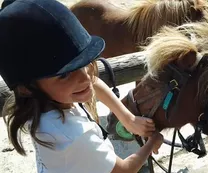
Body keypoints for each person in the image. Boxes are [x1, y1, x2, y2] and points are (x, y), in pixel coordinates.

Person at [0, 0, 163, 173]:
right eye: (64, 74)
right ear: (27, 87)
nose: (85, 77)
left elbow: (92, 82)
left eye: (84, 65)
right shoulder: (72, 136)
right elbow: (125, 170)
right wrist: (152, 142)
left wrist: (128, 119)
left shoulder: (43, 104)